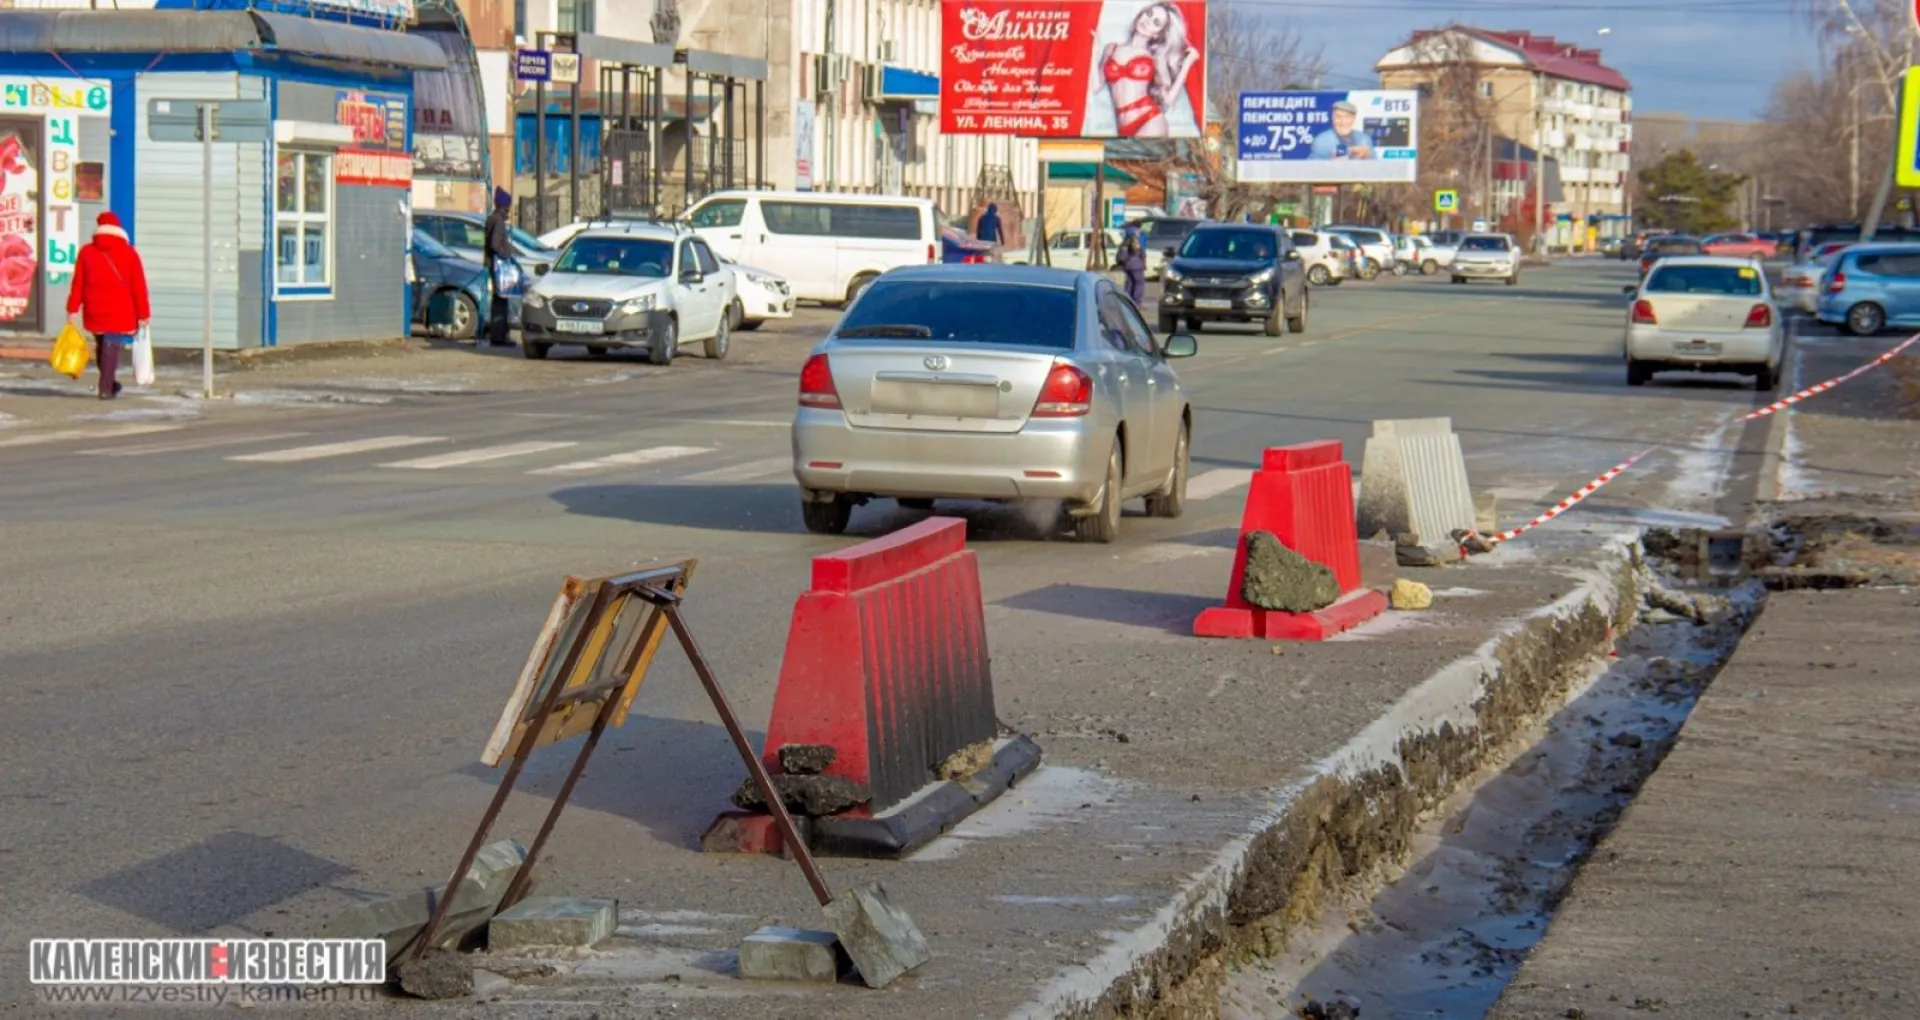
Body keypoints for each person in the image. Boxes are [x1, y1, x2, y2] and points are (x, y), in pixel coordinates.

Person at [66, 211, 149, 400]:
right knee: (111, 347)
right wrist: (143, 313)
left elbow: (78, 283)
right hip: (121, 310)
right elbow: (139, 286)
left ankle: (109, 383)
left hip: (95, 308)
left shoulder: (87, 252)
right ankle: (105, 387)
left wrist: (72, 309)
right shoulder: (129, 253)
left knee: (103, 346)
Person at [1097, 2, 1199, 138]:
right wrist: (1093, 49)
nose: (1148, 21)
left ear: (1157, 35)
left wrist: (1187, 64)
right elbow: (1095, 85)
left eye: (1156, 22)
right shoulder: (1111, 49)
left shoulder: (1155, 59)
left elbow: (1167, 100)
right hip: (1122, 127)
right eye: (1149, 14)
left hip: (1150, 121)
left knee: (1143, 160)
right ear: (1141, 13)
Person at [484, 187, 515, 347]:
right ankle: (499, 336)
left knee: (499, 300)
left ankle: (498, 334)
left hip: (493, 265)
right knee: (501, 301)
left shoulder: (492, 219)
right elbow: (495, 244)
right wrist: (505, 254)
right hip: (499, 267)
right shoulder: (499, 222)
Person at [1117, 224, 1148, 305]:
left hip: (1127, 265)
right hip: (1136, 265)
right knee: (1139, 282)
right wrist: (1144, 263)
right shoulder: (1136, 241)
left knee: (1129, 282)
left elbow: (1122, 255)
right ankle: (1136, 301)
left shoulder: (1125, 242)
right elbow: (1142, 252)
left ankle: (1126, 300)